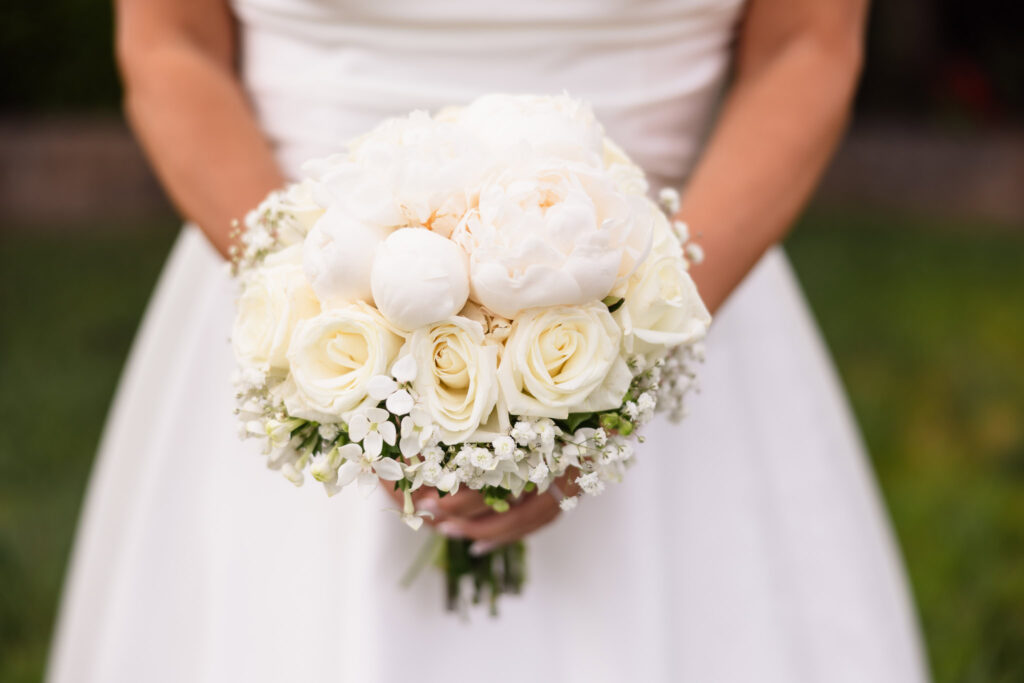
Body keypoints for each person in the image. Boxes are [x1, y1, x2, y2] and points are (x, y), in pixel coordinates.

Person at [48, 0, 930, 681]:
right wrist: (329, 332)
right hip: (298, 282)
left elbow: (804, 47)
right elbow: (171, 44)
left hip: (687, 281)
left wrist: (622, 359)